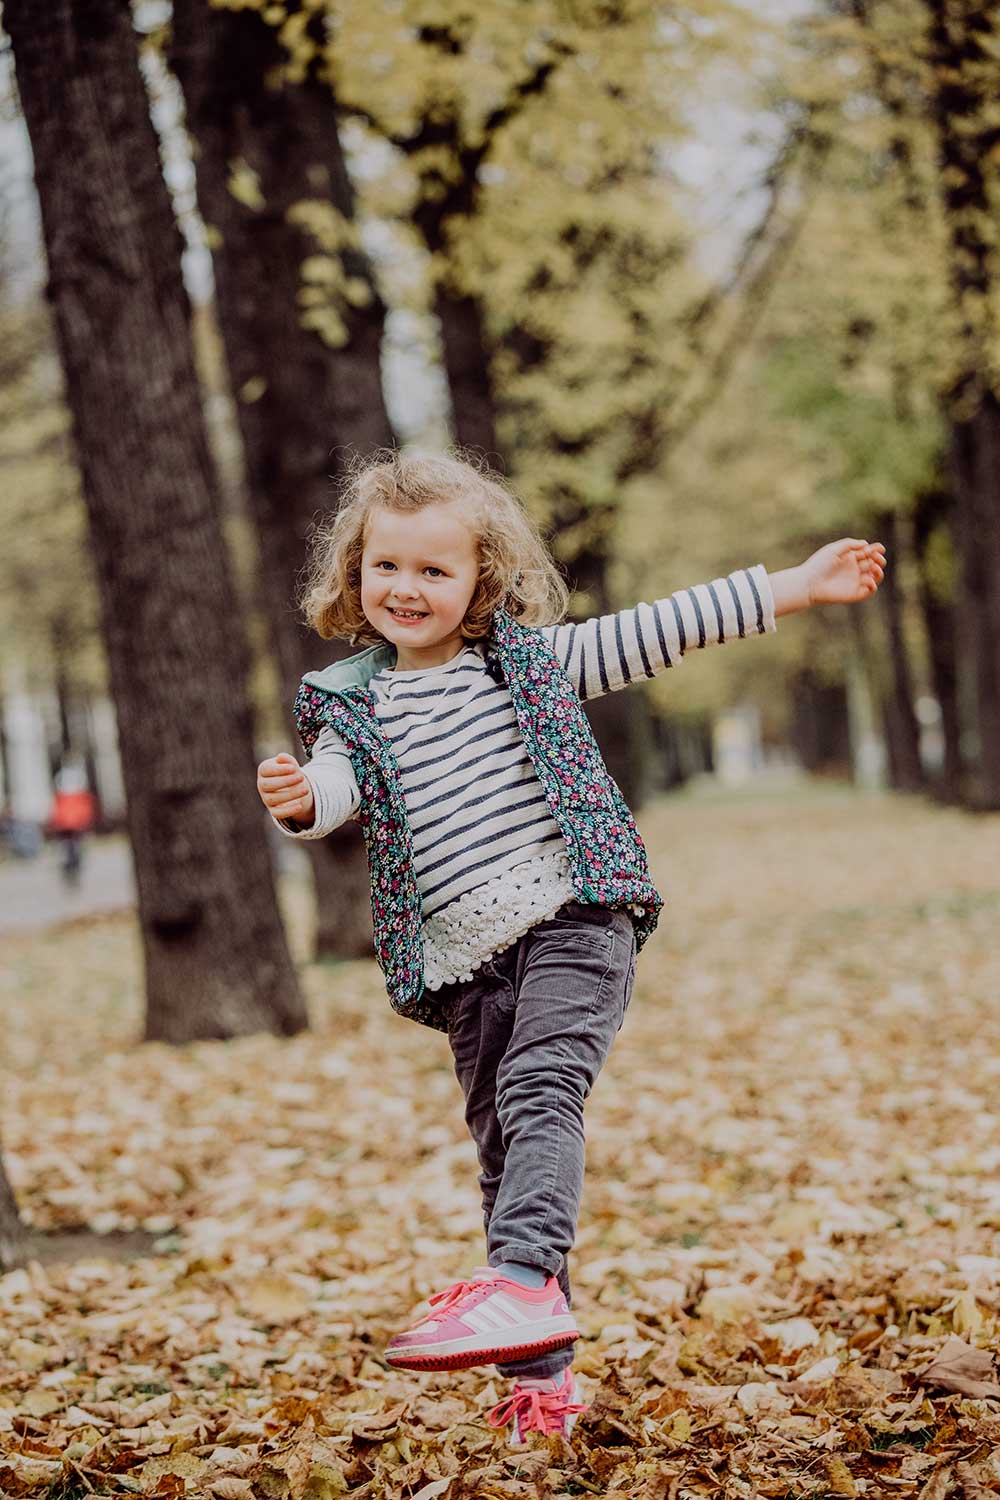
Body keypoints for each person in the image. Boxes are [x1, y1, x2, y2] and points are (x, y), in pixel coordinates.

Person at [256, 451, 885, 1444]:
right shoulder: (351, 703)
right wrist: (301, 802)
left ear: (480, 582)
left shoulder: (528, 665)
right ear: (354, 574)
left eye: (433, 570)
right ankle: (540, 1381)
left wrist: (795, 588)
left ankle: (513, 1285)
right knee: (506, 1155)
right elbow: (337, 787)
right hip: (464, 964)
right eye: (387, 568)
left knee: (542, 1091)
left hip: (572, 919)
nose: (406, 589)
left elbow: (659, 629)